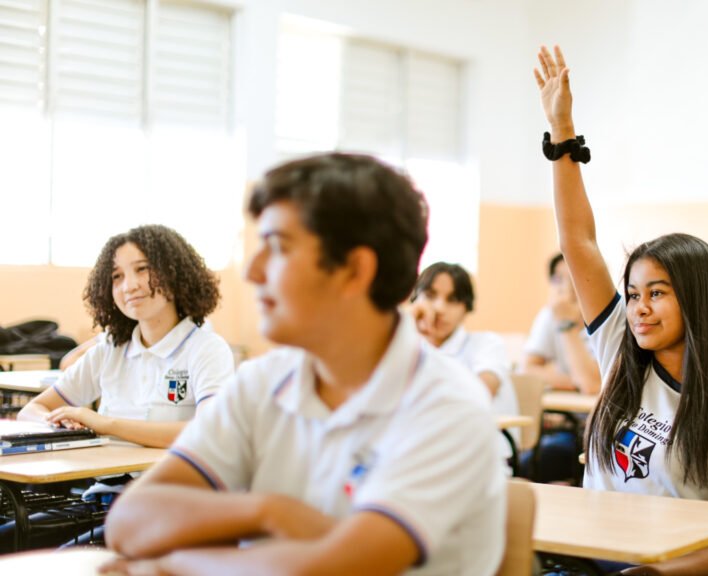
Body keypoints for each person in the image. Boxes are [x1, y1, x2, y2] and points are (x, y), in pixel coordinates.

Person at [104, 153, 506, 575]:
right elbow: (129, 523)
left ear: (354, 271)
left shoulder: (448, 409)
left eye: (277, 247)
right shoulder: (263, 382)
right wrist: (267, 511)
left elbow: (330, 570)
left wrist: (173, 568)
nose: (253, 271)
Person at [535, 45, 708, 575]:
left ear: (698, 300)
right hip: (585, 559)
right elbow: (578, 241)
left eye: (658, 293)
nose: (639, 309)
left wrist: (655, 575)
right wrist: (562, 130)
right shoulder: (621, 349)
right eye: (635, 294)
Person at [19, 224, 233, 447]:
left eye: (142, 269)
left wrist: (105, 425)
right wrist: (59, 423)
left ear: (173, 273)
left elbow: (211, 432)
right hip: (102, 480)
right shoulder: (109, 349)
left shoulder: (207, 349)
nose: (129, 286)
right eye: (117, 276)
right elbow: (31, 410)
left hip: (173, 481)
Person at [410, 262, 518, 419]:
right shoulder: (409, 346)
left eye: (452, 299)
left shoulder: (487, 344)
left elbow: (481, 394)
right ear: (414, 301)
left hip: (484, 437)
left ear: (466, 308)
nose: (440, 308)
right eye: (430, 296)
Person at [522, 253, 600, 394]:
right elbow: (528, 369)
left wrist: (566, 324)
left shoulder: (608, 319)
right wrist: (574, 381)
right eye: (558, 279)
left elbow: (591, 385)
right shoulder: (549, 315)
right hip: (572, 408)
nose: (567, 288)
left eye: (575, 278)